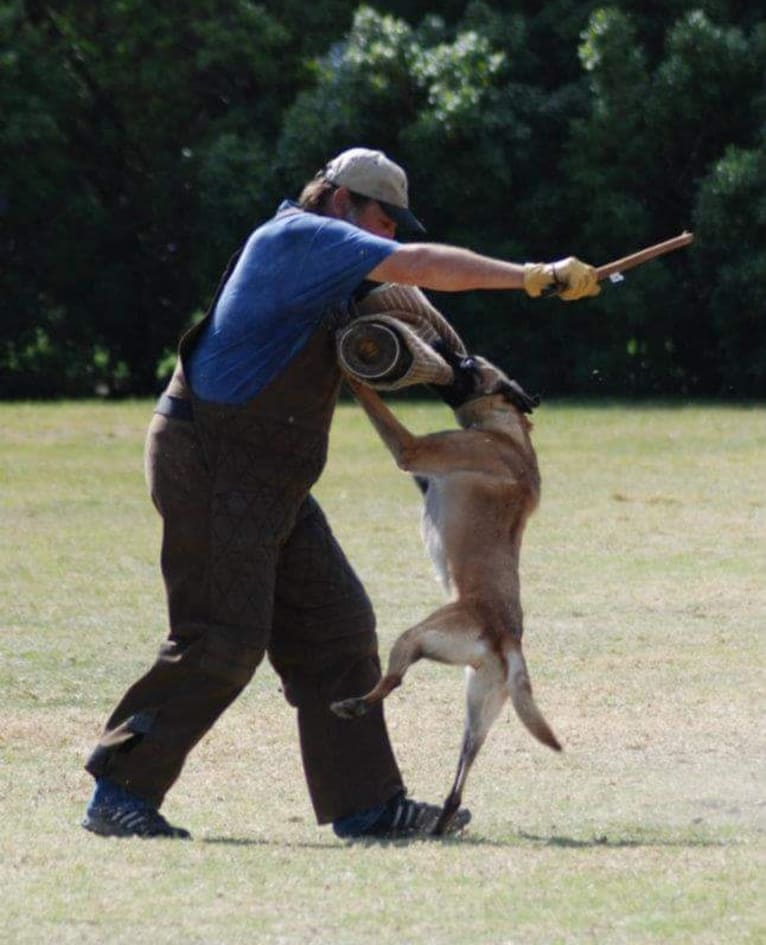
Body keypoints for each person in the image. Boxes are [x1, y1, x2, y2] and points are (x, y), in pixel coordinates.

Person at [82, 147, 599, 840]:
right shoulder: (297, 238)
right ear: (337, 200)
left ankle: (368, 807)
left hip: (272, 479)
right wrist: (532, 277)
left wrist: (464, 377)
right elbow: (418, 267)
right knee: (222, 637)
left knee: (337, 627)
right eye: (382, 219)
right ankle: (119, 791)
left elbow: (409, 301)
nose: (386, 237)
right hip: (214, 462)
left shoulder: (333, 265)